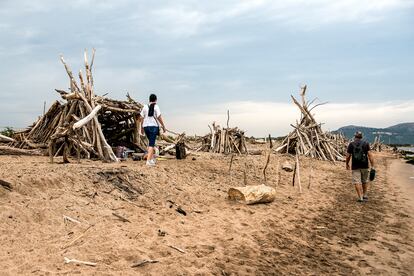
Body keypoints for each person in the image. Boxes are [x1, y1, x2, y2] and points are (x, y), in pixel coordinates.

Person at [346, 131, 375, 202]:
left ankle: (360, 197)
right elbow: (370, 155)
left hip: (355, 166)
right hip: (365, 165)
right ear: (361, 137)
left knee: (357, 182)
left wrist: (347, 164)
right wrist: (372, 165)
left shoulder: (351, 144)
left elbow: (348, 156)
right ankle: (364, 195)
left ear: (355, 137)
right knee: (364, 181)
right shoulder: (366, 144)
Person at [138, 94, 166, 166]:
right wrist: (163, 126)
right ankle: (148, 161)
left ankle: (151, 159)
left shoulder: (144, 106)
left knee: (150, 143)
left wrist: (141, 129)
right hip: (153, 127)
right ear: (156, 100)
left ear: (149, 99)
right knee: (151, 144)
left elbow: (141, 118)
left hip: (146, 127)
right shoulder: (156, 106)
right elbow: (159, 117)